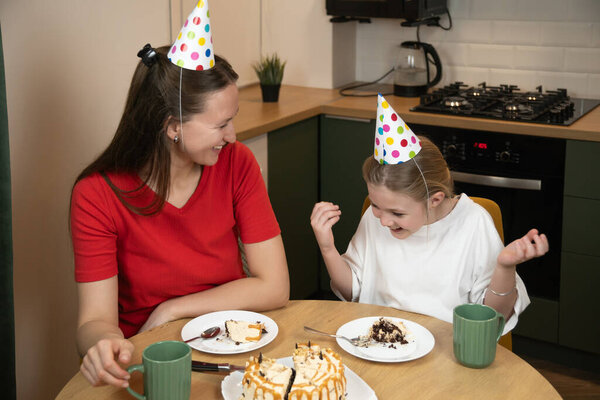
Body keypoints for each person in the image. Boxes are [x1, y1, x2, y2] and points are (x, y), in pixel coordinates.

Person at [70, 41, 289, 388]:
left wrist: (173, 308)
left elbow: (276, 287)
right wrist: (101, 344)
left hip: (232, 348)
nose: (232, 136)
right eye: (221, 125)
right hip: (149, 360)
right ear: (173, 126)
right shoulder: (96, 195)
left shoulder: (237, 164)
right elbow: (94, 321)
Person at [311, 94, 548, 335]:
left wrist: (504, 268)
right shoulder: (377, 220)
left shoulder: (473, 223)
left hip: (445, 355)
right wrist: (328, 247)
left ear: (434, 199)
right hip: (375, 344)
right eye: (375, 205)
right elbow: (353, 291)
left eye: (397, 213)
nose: (382, 220)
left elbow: (494, 317)